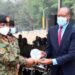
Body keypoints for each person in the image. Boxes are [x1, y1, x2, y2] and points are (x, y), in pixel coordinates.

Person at [38, 7, 75, 75]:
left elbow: (72, 54)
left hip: (69, 70)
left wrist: (52, 61)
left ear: (68, 16)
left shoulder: (73, 31)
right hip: (55, 70)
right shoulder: (51, 30)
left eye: (63, 16)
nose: (60, 17)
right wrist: (45, 54)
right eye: (58, 15)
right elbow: (49, 49)